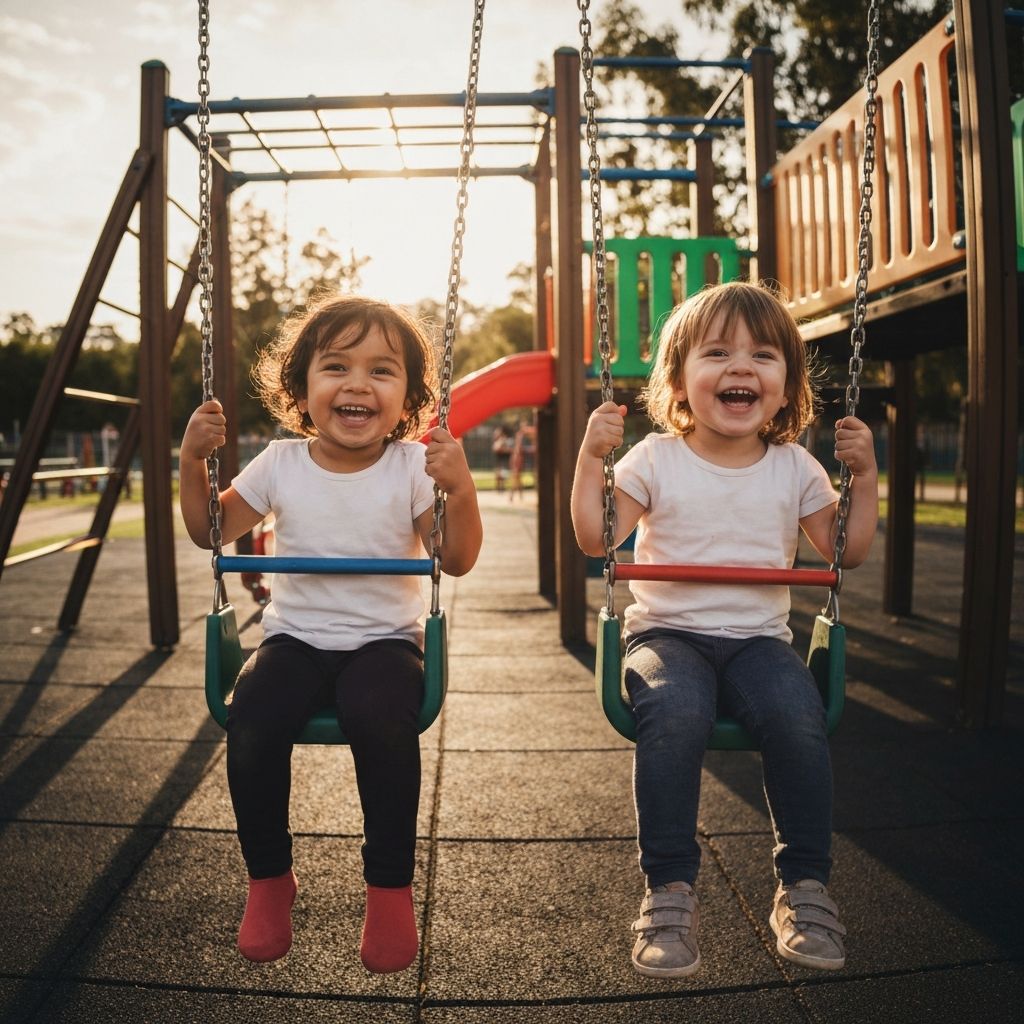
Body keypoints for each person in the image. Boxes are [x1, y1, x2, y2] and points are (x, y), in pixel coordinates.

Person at [571, 281, 878, 979]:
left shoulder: (795, 467)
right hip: (666, 635)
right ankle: (669, 892)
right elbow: (597, 538)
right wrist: (592, 459)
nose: (741, 366)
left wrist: (865, 477)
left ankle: (804, 887)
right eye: (717, 353)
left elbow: (846, 550)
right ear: (679, 381)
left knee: (798, 717)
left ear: (786, 387)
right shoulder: (655, 458)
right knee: (675, 714)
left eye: (763, 355)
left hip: (759, 642)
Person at [179, 295, 482, 972]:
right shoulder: (279, 463)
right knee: (252, 717)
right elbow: (210, 532)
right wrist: (192, 462)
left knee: (381, 718)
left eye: (381, 370)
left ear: (408, 396)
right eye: (337, 367)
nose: (357, 384)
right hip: (295, 638)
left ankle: (389, 889)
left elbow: (456, 558)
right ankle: (269, 878)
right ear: (301, 388)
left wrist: (459, 490)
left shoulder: (412, 468)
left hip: (385, 642)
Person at [491, 423, 514, 491]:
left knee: (503, 474)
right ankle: (499, 488)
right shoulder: (498, 441)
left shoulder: (507, 440)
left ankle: (502, 487)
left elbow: (510, 450)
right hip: (500, 459)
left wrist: (504, 449)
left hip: (505, 459)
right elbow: (495, 449)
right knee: (498, 474)